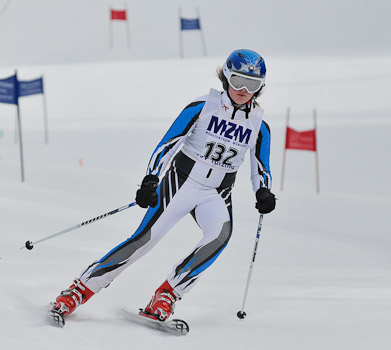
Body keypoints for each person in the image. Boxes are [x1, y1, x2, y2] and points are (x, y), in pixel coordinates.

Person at [48, 49, 276, 326]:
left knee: (219, 237)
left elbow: (260, 168)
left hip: (216, 192)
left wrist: (263, 191)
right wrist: (151, 179)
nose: (243, 90)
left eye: (252, 85)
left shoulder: (259, 125)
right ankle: (79, 290)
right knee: (145, 239)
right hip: (182, 181)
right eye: (238, 81)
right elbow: (168, 144)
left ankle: (167, 294)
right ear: (226, 77)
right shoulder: (203, 106)